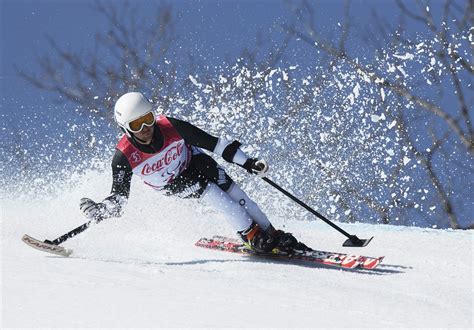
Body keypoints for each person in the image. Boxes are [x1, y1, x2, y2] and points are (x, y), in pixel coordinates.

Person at [79, 92, 310, 254]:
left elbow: (217, 145)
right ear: (126, 129)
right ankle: (251, 236)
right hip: (171, 183)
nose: (146, 129)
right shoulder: (124, 157)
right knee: (211, 192)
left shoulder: (170, 126)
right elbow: (119, 199)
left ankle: (271, 232)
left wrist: (249, 162)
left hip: (194, 161)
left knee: (233, 190)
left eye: (147, 119)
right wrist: (101, 210)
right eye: (136, 125)